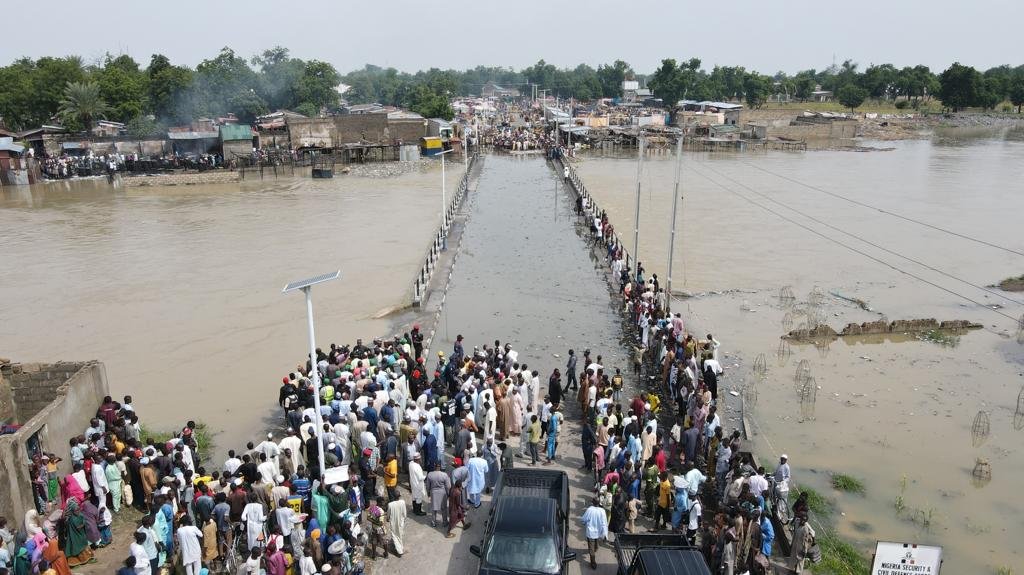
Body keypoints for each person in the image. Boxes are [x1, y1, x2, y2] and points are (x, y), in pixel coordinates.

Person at [580, 497, 608, 570]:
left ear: (592, 502)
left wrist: (584, 523)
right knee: (596, 541)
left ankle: (593, 562)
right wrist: (605, 534)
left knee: (591, 548)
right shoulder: (602, 511)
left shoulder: (590, 510)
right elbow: (604, 523)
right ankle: (596, 548)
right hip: (598, 532)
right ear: (599, 503)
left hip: (590, 532)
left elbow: (583, 519)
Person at [425, 463, 451, 528]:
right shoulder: (444, 475)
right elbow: (448, 486)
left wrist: (428, 493)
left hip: (433, 493)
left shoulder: (430, 474)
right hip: (443, 493)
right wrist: (448, 494)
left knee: (434, 508)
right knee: (444, 508)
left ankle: (433, 522)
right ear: (440, 467)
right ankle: (445, 522)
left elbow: (427, 486)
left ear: (434, 467)